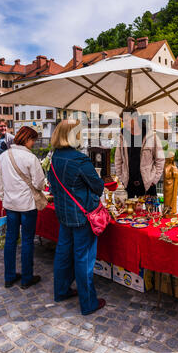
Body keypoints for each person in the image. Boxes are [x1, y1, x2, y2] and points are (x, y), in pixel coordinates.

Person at [48, 120, 106, 315]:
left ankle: (61, 291)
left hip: (64, 215)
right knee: (84, 259)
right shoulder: (80, 160)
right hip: (82, 217)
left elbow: (53, 185)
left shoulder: (55, 157)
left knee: (63, 254)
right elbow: (98, 186)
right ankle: (88, 303)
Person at [0, 126, 45, 289]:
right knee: (26, 240)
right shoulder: (30, 158)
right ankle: (26, 278)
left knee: (10, 240)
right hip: (27, 205)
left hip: (10, 204)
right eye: (33, 140)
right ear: (27, 139)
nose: (33, 143)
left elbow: (1, 183)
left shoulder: (3, 156)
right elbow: (40, 183)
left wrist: (4, 199)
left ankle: (9, 276)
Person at [115, 106, 165, 198]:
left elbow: (160, 160)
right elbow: (118, 159)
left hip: (148, 186)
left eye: (126, 121)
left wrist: (154, 181)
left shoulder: (151, 137)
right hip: (128, 186)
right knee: (128, 212)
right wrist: (121, 178)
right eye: (123, 121)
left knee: (151, 212)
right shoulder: (122, 137)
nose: (124, 124)